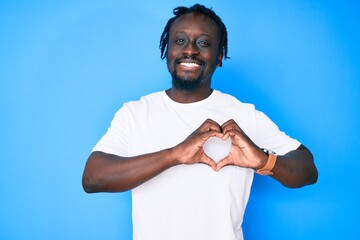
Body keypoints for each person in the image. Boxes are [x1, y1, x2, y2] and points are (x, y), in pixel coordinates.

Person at [82, 4, 318, 240]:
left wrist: (263, 161)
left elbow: (307, 170)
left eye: (203, 43)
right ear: (168, 49)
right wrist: (174, 155)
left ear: (218, 56)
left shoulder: (244, 116)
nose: (191, 50)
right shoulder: (135, 113)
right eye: (180, 41)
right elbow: (93, 178)